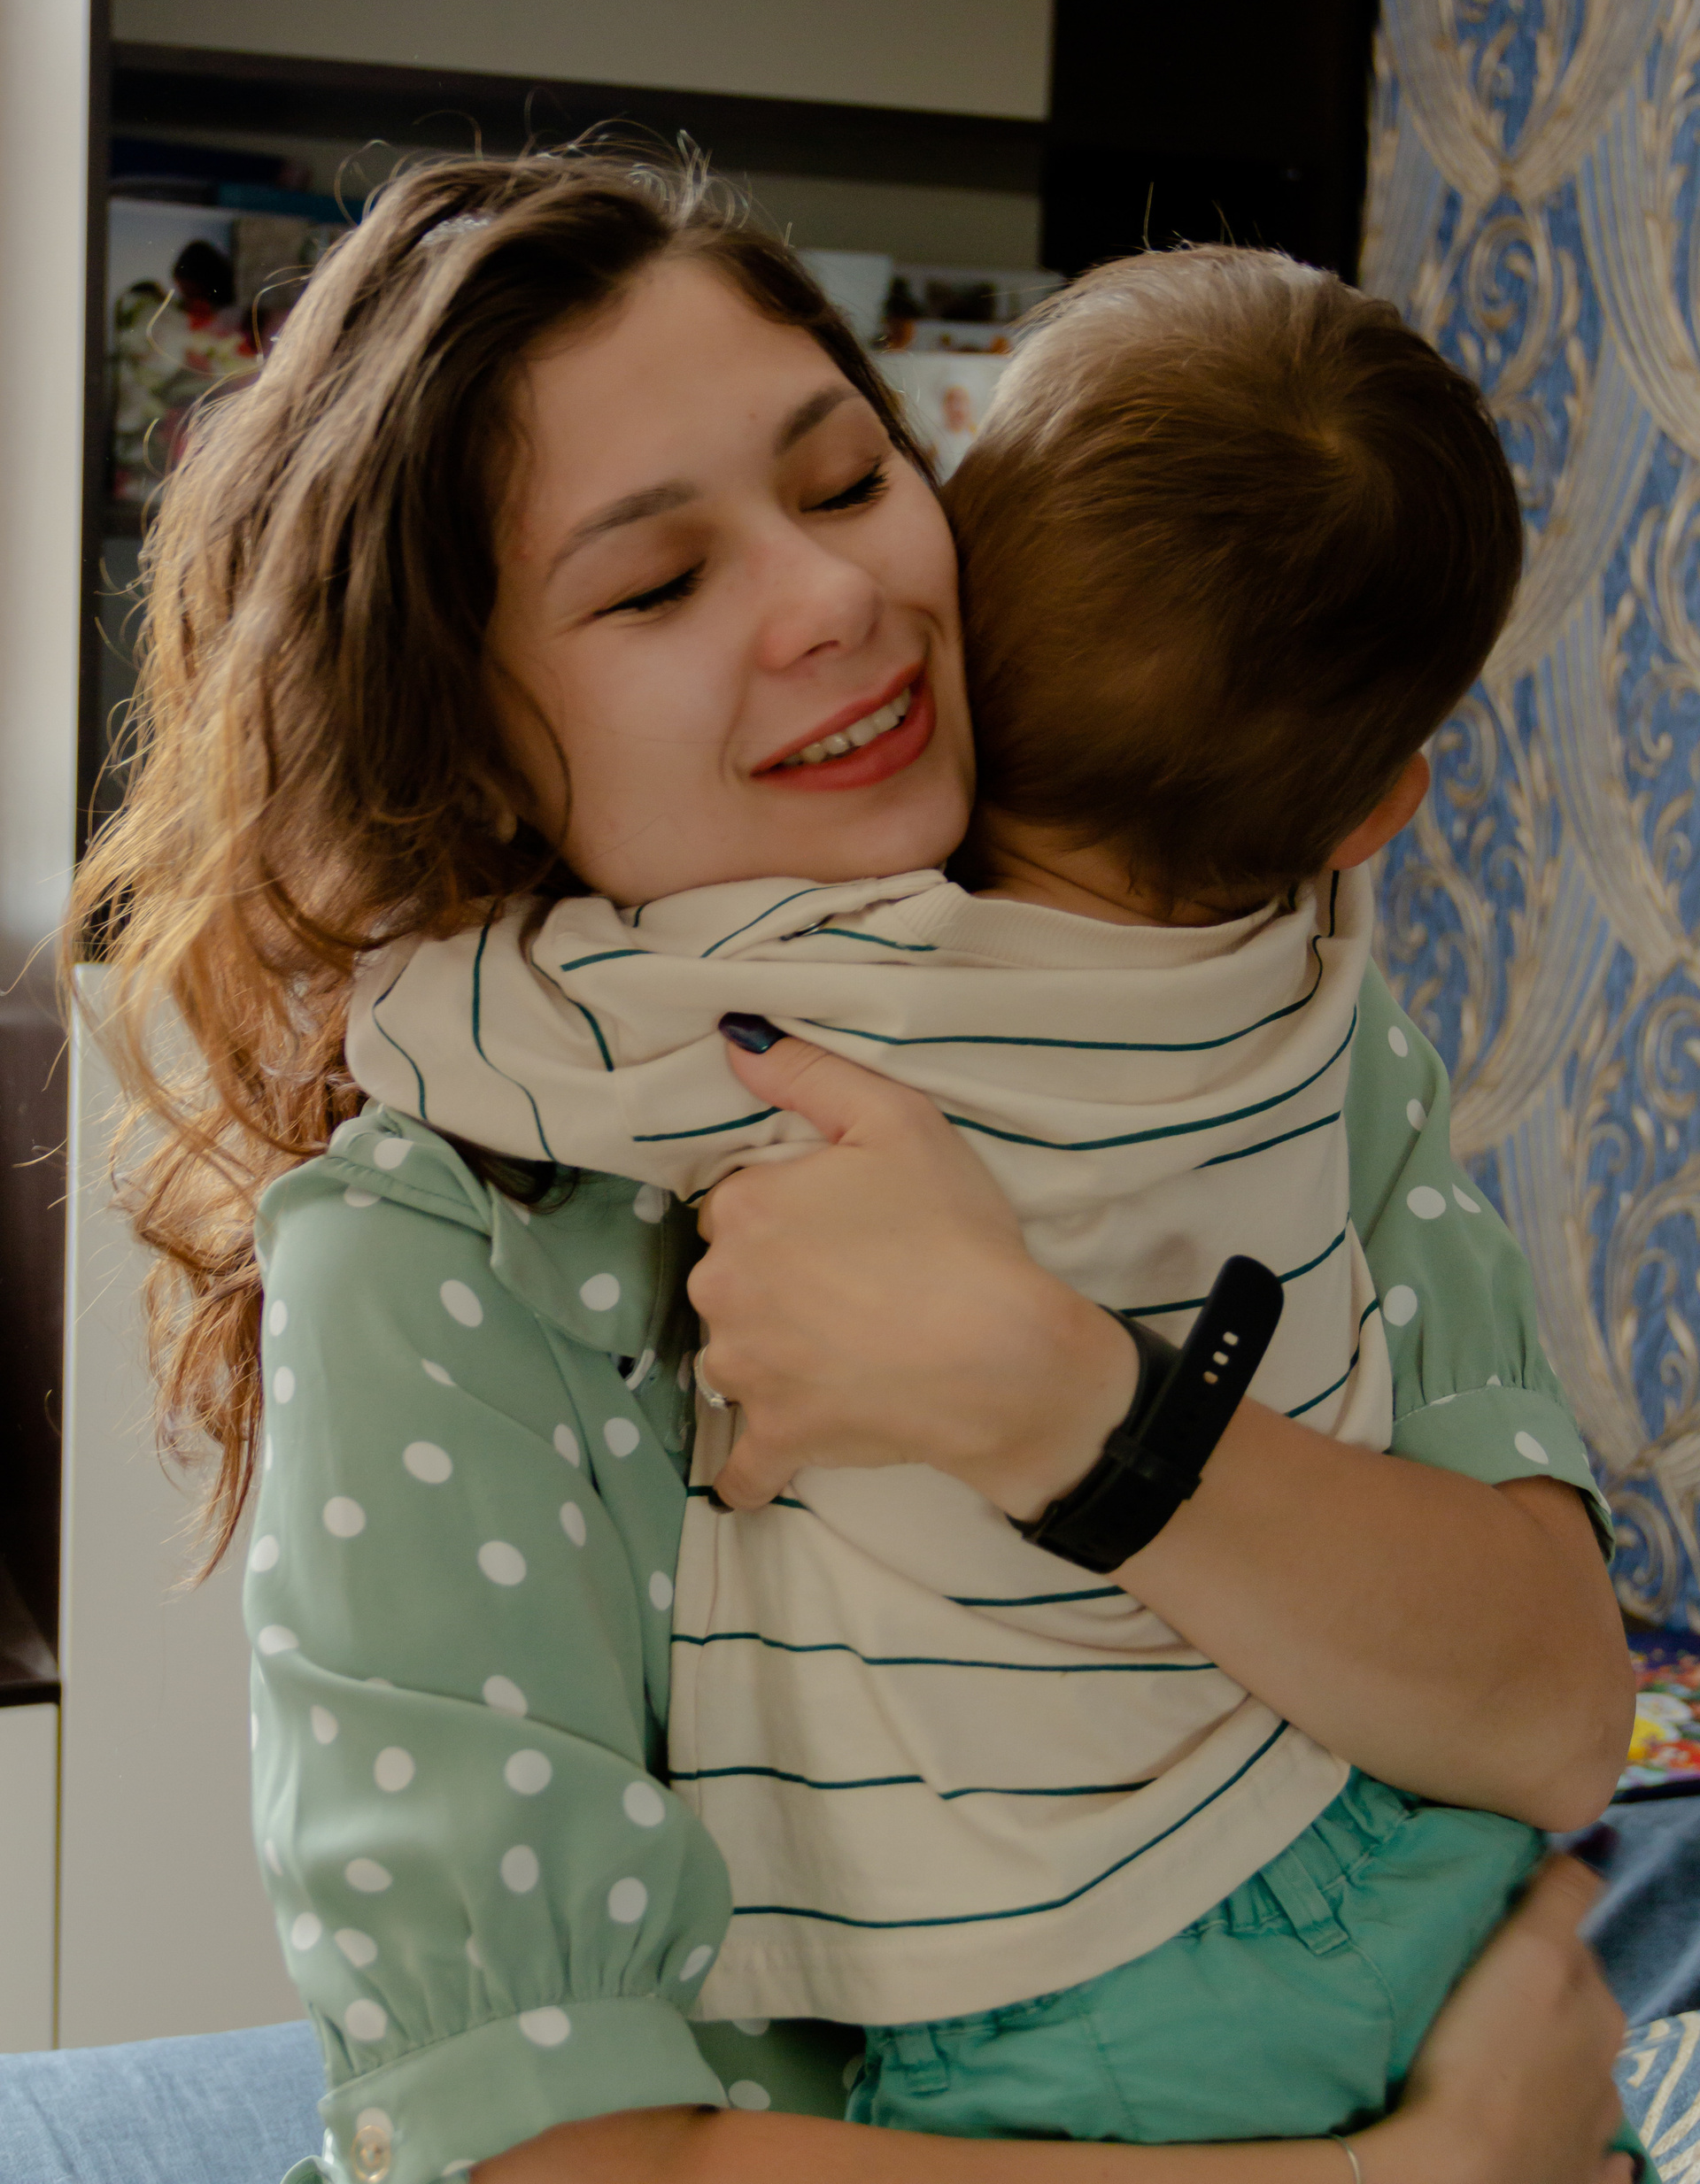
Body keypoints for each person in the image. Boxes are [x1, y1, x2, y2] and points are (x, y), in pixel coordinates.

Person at [67, 150, 1636, 2184]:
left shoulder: (1253, 991)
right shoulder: (438, 1259)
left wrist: (1068, 1404)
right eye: (655, 585)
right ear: (459, 742)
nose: (834, 600)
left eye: (844, 481)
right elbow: (549, 2158)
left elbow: (1552, 1719)